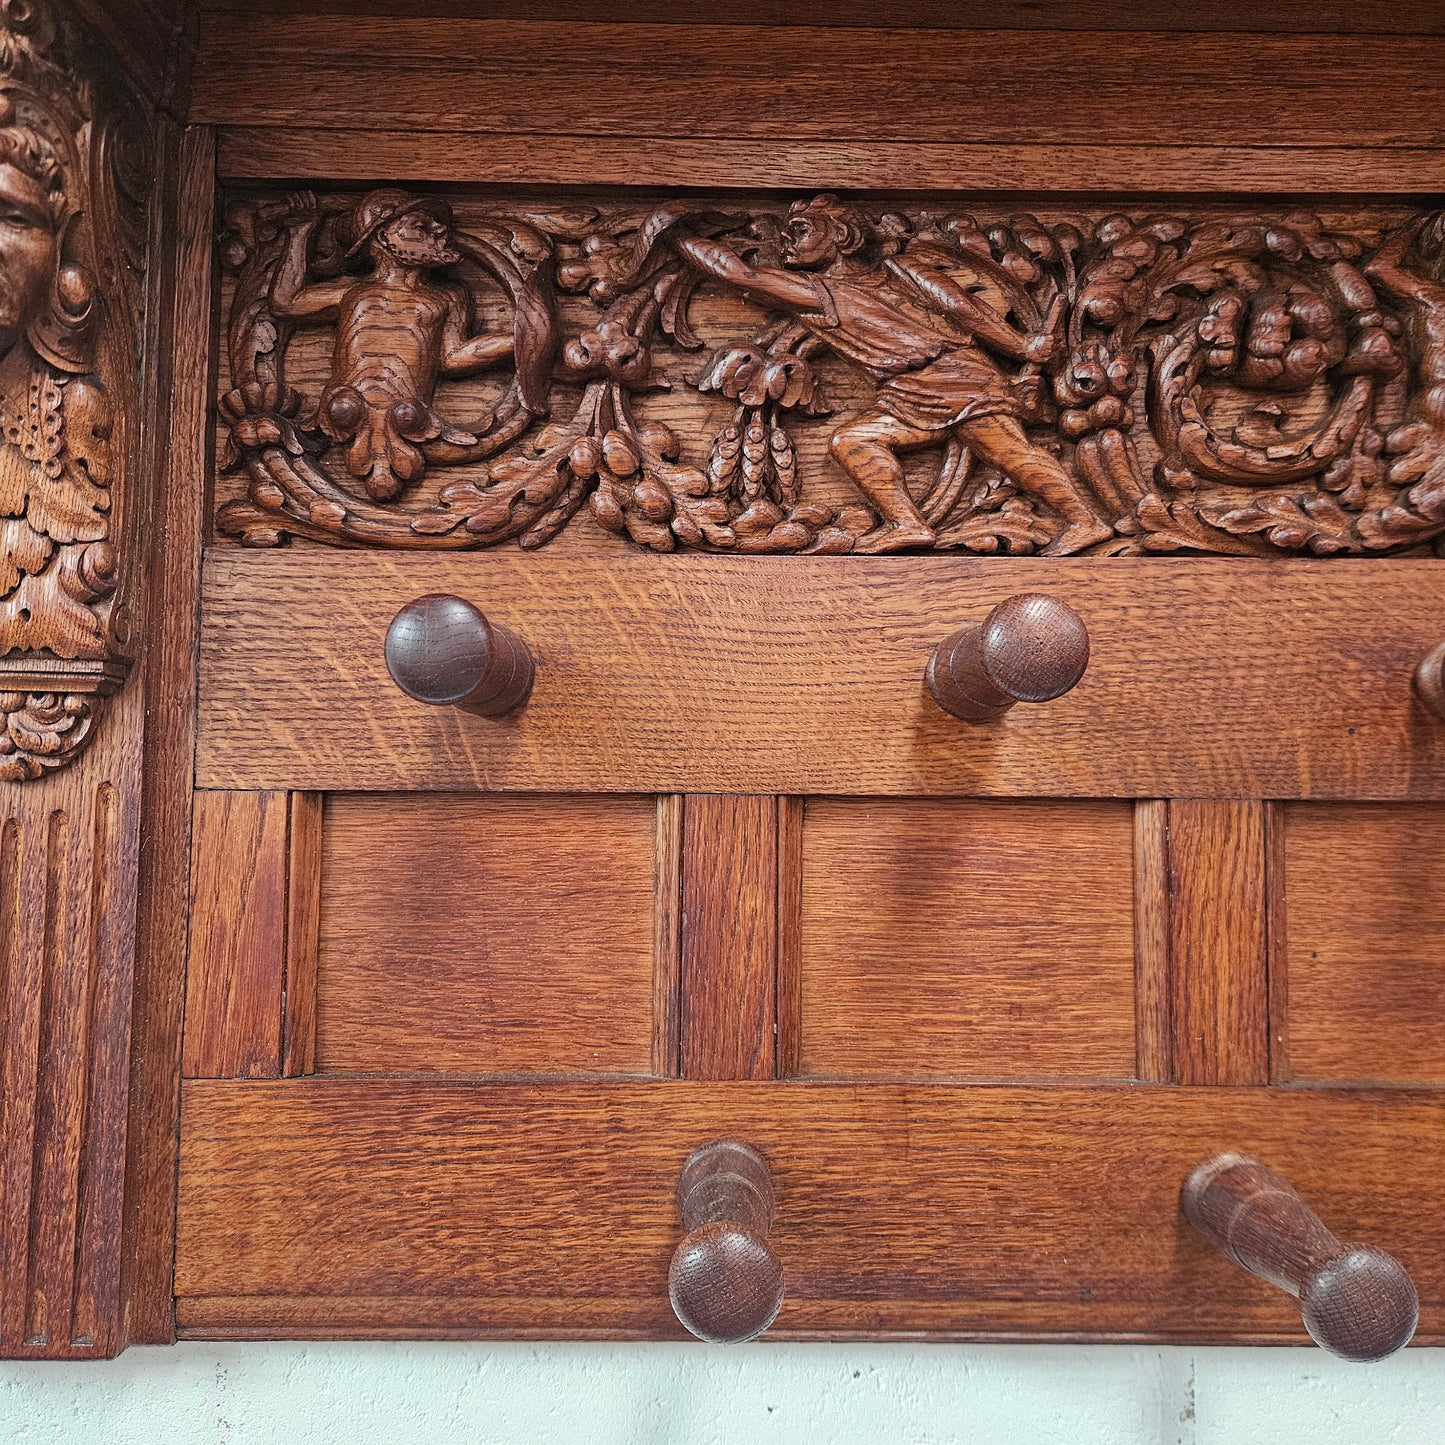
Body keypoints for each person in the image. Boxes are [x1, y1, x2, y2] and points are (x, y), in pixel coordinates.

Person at [666, 194, 1111, 553]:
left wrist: (677, 235)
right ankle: (906, 524)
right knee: (853, 442)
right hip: (905, 392)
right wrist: (1022, 346)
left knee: (1010, 453)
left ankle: (1084, 520)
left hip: (954, 377)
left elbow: (738, 273)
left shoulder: (832, 290)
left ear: (840, 235)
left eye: (800, 231)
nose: (787, 242)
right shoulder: (882, 276)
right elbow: (962, 307)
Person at [270, 189, 516, 500]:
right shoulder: (352, 291)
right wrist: (300, 233)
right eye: (420, 225)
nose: (439, 230)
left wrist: (517, 342)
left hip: (408, 414)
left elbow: (452, 356)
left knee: (407, 415)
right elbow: (286, 303)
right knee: (345, 407)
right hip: (347, 410)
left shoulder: (446, 298)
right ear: (381, 236)